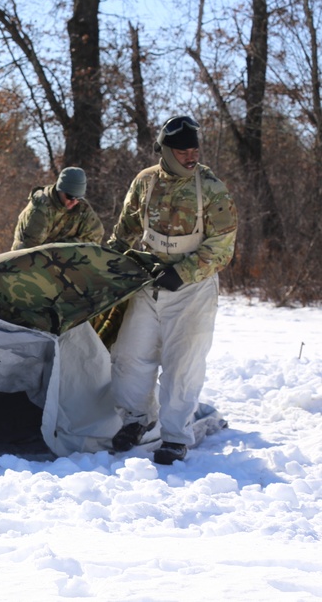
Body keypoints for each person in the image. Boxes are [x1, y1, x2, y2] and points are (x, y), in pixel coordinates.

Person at [106, 115, 237, 464]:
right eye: (182, 151)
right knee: (131, 356)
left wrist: (182, 273)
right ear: (164, 151)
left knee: (183, 363)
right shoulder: (145, 182)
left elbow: (222, 246)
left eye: (194, 149)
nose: (190, 156)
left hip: (192, 288)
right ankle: (135, 420)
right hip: (148, 283)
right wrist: (111, 264)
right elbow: (125, 229)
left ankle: (176, 436)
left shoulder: (210, 187)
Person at [10, 166, 105, 250]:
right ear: (60, 190)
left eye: (78, 198)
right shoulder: (41, 208)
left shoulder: (82, 207)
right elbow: (30, 250)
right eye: (70, 197)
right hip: (29, 257)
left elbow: (95, 237)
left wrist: (66, 247)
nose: (74, 202)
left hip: (59, 258)